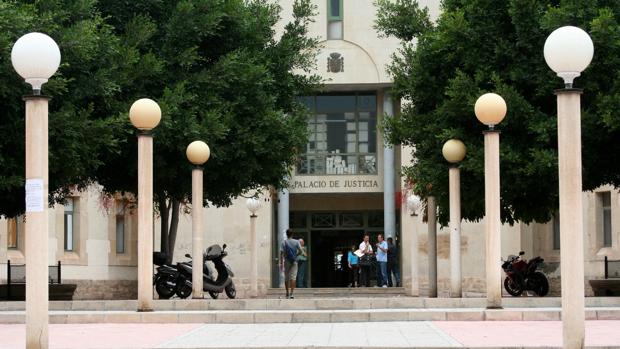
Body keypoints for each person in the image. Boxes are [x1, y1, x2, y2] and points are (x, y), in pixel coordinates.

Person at [280, 229, 302, 299]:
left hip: (287, 261)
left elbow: (281, 254)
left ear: (286, 234)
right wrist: (295, 255)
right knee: (293, 277)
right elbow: (301, 251)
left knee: (286, 277)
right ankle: (292, 293)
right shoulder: (296, 242)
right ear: (292, 234)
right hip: (294, 261)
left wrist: (281, 263)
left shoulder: (284, 242)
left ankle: (287, 293)